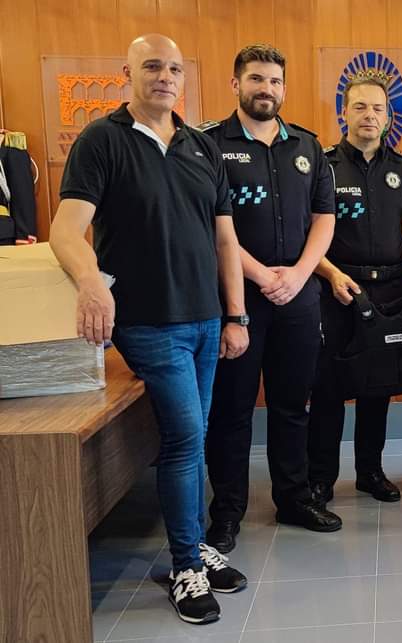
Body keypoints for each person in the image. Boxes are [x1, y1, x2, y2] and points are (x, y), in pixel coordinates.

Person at [50, 34, 248, 625]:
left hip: (206, 321)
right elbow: (65, 230)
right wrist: (90, 283)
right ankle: (187, 563)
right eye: (152, 66)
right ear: (128, 72)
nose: (165, 76)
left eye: (174, 68)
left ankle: (191, 545)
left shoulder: (200, 146)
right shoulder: (102, 141)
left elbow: (225, 240)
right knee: (185, 439)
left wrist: (235, 316)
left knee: (196, 434)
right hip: (147, 325)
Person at [201, 44, 341, 554]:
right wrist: (263, 276)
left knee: (292, 405)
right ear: (235, 84)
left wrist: (301, 274)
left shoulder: (306, 145)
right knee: (233, 409)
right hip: (240, 299)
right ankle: (228, 512)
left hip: (299, 298)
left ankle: (294, 498)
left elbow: (324, 218)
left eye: (276, 81)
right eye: (257, 79)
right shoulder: (211, 145)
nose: (267, 89)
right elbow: (213, 229)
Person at [307, 76, 402, 506]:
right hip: (337, 289)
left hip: (390, 290)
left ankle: (370, 472)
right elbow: (308, 233)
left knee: (377, 385)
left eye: (377, 109)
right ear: (344, 112)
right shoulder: (323, 166)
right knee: (328, 387)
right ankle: (320, 479)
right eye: (360, 107)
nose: (369, 116)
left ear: (388, 116)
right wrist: (329, 273)